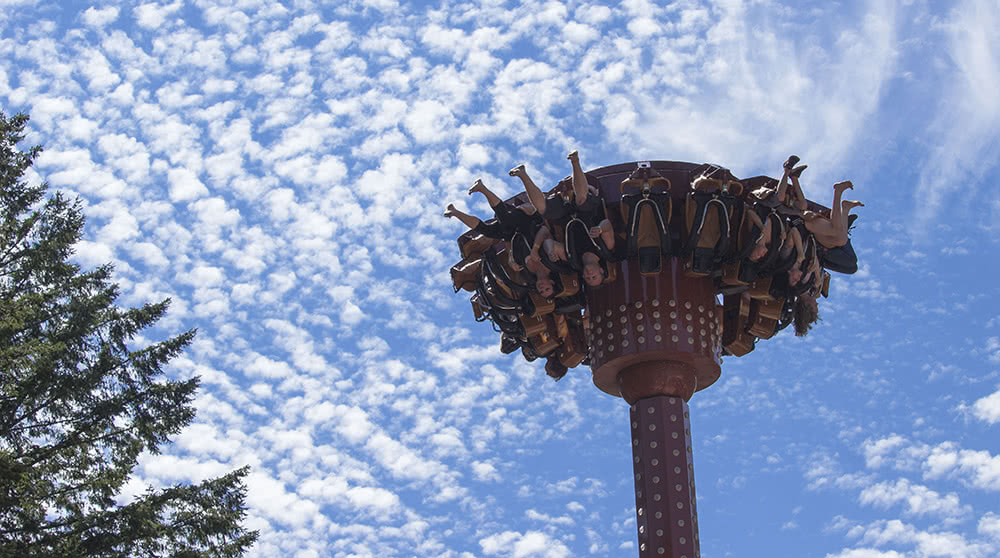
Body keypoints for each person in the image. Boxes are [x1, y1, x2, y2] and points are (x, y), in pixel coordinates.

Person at [443, 178, 541, 240]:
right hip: (525, 218)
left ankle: (455, 212)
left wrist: (512, 258)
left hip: (514, 230)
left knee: (487, 231)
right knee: (505, 220)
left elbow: (508, 241)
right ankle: (482, 188)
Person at [802, 180, 863, 249]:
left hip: (809, 222)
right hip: (811, 227)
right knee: (841, 240)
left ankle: (840, 196)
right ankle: (845, 208)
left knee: (839, 236)